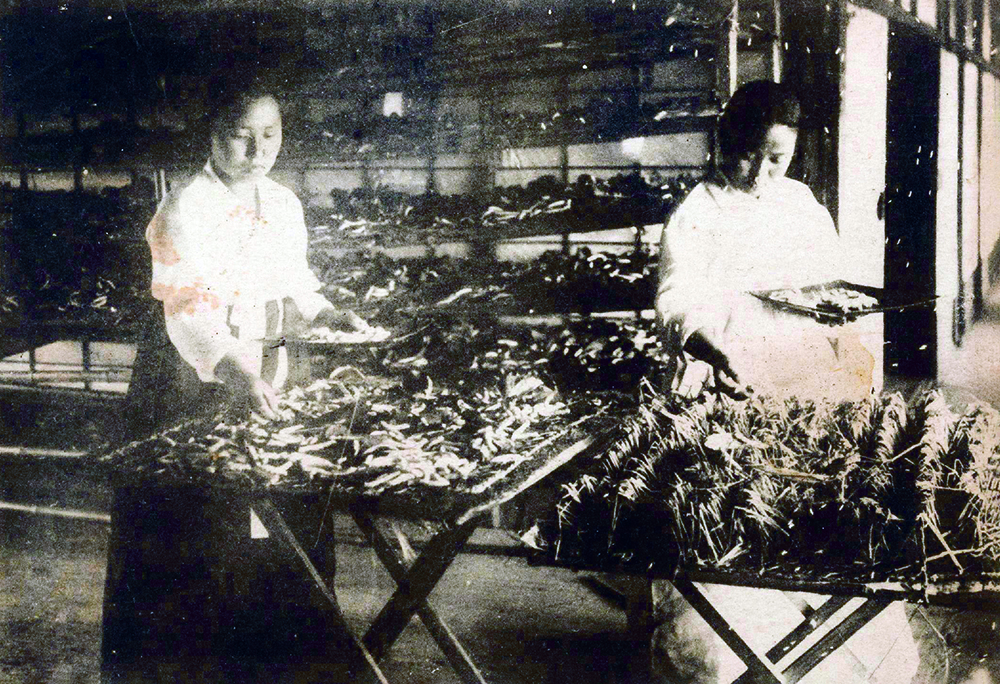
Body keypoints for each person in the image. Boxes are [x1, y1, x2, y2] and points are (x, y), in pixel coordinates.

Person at [649, 81, 919, 683]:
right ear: (726, 143)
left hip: (802, 382)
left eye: (778, 159)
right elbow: (674, 304)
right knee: (733, 528)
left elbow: (829, 289)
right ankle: (733, 663)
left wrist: (841, 330)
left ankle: (812, 660)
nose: (764, 173)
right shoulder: (697, 214)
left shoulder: (801, 205)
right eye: (751, 155)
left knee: (805, 524)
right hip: (728, 382)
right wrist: (708, 345)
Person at [103, 77, 364, 682]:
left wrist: (328, 312)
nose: (257, 151)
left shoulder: (284, 202)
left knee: (282, 524)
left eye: (268, 135)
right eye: (239, 137)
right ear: (212, 137)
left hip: (271, 370)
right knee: (201, 536)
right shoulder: (182, 208)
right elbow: (188, 309)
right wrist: (234, 365)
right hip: (193, 377)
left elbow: (297, 279)